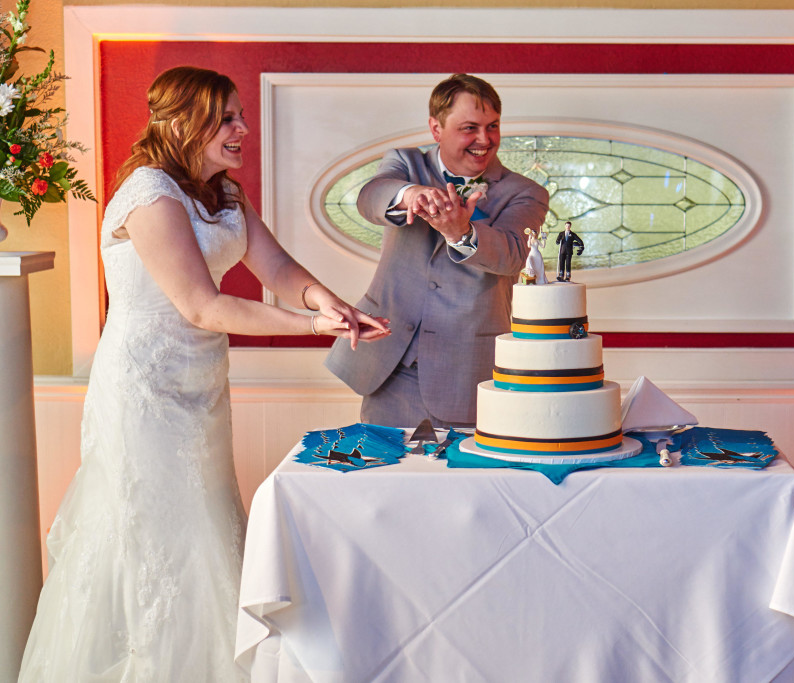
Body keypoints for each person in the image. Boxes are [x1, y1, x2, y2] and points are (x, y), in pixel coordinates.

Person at [18, 66, 388, 682]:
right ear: (183, 122)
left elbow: (276, 267)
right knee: (159, 533)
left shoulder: (226, 194)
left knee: (212, 526)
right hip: (143, 390)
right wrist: (312, 329)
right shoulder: (147, 193)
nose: (243, 128)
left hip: (201, 387)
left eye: (241, 114)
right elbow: (202, 304)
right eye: (227, 118)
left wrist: (327, 301)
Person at [325, 73, 550, 428]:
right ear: (436, 129)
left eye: (492, 126)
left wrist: (462, 232)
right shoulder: (405, 162)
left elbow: (512, 255)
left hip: (464, 369)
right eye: (470, 128)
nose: (484, 140)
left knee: (462, 480)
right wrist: (409, 195)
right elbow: (370, 198)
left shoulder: (526, 192)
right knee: (389, 474)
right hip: (389, 362)